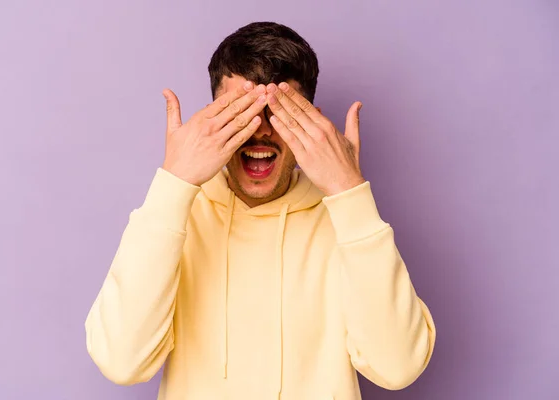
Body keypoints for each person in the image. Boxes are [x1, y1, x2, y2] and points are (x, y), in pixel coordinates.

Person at [85, 21, 436, 400]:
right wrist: (173, 183)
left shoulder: (345, 220)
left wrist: (350, 193)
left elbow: (397, 367)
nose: (260, 131)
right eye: (240, 111)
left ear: (311, 124)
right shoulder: (176, 216)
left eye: (279, 113)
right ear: (212, 117)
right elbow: (121, 362)